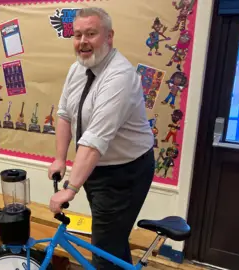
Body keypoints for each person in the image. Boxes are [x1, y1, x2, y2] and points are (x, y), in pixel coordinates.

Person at [47, 7, 155, 269]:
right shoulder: (77, 69)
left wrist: (70, 189)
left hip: (124, 173)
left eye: (91, 34)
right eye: (78, 35)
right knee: (111, 243)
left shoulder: (119, 76)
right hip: (96, 169)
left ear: (109, 36)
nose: (83, 42)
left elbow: (95, 139)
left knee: (104, 250)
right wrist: (60, 159)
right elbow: (64, 115)